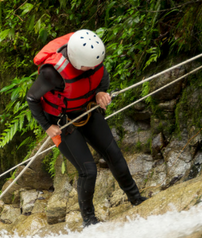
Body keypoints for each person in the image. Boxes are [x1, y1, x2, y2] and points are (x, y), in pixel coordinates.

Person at [26, 29, 147, 227]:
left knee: (114, 154)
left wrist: (100, 93)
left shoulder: (93, 60)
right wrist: (47, 126)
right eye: (88, 67)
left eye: (94, 65)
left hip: (85, 110)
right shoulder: (52, 73)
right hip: (62, 122)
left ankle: (136, 199)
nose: (92, 69)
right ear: (76, 60)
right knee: (88, 170)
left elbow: (102, 76)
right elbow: (32, 98)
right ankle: (89, 221)